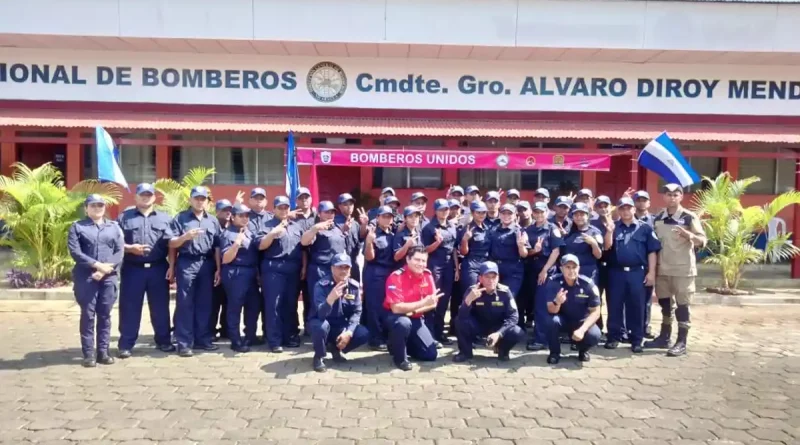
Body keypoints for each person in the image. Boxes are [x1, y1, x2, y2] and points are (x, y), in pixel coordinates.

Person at [646, 184, 706, 357]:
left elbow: (702, 241)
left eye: (675, 194)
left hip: (683, 270)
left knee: (682, 306)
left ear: (681, 197)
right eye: (668, 194)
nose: (672, 197)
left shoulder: (689, 217)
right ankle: (664, 337)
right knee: (665, 305)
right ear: (664, 197)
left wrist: (690, 236)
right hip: (662, 269)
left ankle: (682, 341)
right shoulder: (658, 218)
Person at [116, 184, 175, 359]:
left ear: (154, 198)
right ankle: (126, 344)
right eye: (142, 195)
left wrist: (172, 266)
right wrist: (130, 248)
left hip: (158, 268)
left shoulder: (165, 218)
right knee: (129, 307)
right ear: (136, 197)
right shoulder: (124, 218)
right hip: (133, 269)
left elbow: (171, 245)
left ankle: (164, 341)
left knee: (160, 307)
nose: (146, 197)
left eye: (149, 195)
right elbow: (115, 242)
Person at [67, 194, 124, 367]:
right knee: (88, 315)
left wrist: (106, 270)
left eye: (100, 205)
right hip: (87, 277)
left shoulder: (114, 227)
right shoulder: (77, 227)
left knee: (105, 314)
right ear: (86, 208)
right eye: (93, 206)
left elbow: (119, 251)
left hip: (108, 277)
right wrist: (97, 265)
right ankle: (88, 354)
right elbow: (76, 252)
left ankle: (103, 351)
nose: (97, 208)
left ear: (104, 208)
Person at [168, 186, 222, 357]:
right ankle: (184, 343)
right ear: (190, 200)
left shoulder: (212, 221)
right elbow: (171, 243)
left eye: (203, 199)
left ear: (207, 201)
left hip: (206, 264)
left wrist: (218, 269)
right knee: (185, 303)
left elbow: (217, 247)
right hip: (187, 262)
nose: (200, 201)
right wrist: (184, 237)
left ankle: (203, 339)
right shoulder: (181, 218)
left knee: (205, 303)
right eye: (197, 198)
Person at [605, 197, 661, 353]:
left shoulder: (645, 228)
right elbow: (607, 247)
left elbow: (652, 251)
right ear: (618, 211)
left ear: (634, 209)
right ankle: (613, 337)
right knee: (614, 306)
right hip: (616, 272)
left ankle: (636, 340)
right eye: (622, 208)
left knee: (637, 307)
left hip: (637, 272)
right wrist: (609, 232)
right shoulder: (613, 227)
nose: (625, 211)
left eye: (628, 208)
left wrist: (651, 273)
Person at [307, 253, 370, 372]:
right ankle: (319, 356)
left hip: (340, 326)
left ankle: (335, 349)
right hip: (321, 322)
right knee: (320, 327)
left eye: (346, 267)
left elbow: (357, 312)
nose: (343, 270)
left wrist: (349, 332)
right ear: (332, 268)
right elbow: (320, 314)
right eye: (340, 267)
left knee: (363, 333)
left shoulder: (354, 287)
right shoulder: (321, 286)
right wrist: (330, 299)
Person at [383, 246, 442, 371]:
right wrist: (423, 303)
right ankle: (400, 359)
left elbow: (433, 303)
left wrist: (415, 310)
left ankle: (398, 344)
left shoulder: (427, 275)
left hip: (416, 318)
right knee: (403, 323)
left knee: (430, 355)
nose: (421, 264)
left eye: (423, 261)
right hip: (396, 318)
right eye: (417, 260)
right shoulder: (396, 277)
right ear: (408, 259)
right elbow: (396, 308)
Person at [259, 196, 304, 352]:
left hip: (293, 268)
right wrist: (273, 233)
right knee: (274, 305)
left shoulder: (296, 226)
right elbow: (261, 245)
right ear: (274, 209)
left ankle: (289, 336)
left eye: (286, 207)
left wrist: (303, 267)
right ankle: (275, 340)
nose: (284, 210)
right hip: (273, 268)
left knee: (290, 304)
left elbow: (303, 248)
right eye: (280, 208)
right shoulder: (267, 225)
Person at [453, 261, 524, 362]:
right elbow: (461, 316)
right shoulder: (472, 291)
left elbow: (513, 317)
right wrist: (468, 301)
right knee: (459, 321)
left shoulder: (505, 292)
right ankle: (465, 352)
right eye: (487, 277)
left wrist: (499, 333)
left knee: (517, 332)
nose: (491, 280)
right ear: (480, 278)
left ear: (498, 278)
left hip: (497, 326)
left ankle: (502, 351)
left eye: (493, 277)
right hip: (478, 325)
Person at [544, 254, 602, 364]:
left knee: (595, 335)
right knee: (551, 321)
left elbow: (596, 312)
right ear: (561, 268)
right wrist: (557, 302)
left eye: (574, 267)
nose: (571, 270)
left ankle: (582, 351)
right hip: (563, 320)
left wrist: (582, 329)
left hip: (582, 321)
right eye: (568, 267)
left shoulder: (588, 284)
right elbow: (551, 310)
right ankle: (554, 353)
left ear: (579, 268)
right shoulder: (553, 282)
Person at [218, 203, 260, 353]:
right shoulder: (227, 234)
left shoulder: (249, 231)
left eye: (247, 216)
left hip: (251, 273)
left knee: (253, 306)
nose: (244, 218)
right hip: (235, 272)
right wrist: (236, 243)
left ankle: (250, 336)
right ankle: (235, 339)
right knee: (235, 307)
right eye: (241, 215)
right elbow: (226, 258)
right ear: (233, 217)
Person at [526, 202, 564, 351]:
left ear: (547, 213)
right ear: (533, 213)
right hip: (532, 270)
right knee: (535, 305)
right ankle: (539, 335)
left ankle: (542, 339)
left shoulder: (552, 229)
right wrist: (534, 251)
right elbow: (526, 251)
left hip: (546, 271)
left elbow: (556, 251)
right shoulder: (529, 229)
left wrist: (545, 270)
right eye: (536, 212)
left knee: (542, 305)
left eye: (542, 212)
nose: (539, 215)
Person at [421, 198, 459, 346]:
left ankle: (439, 332)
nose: (445, 212)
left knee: (445, 299)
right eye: (442, 209)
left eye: (447, 209)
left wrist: (456, 267)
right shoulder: (429, 227)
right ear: (435, 211)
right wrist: (437, 242)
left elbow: (454, 248)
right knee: (433, 298)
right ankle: (430, 333)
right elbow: (425, 250)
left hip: (449, 264)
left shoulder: (451, 226)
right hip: (435, 264)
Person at [302, 201, 347, 311]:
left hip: (335, 272)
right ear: (319, 214)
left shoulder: (337, 229)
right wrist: (315, 228)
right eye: (326, 212)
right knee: (317, 303)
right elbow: (304, 242)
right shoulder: (315, 228)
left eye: (332, 212)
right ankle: (315, 327)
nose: (330, 215)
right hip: (319, 271)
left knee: (335, 303)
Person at [363, 206, 396, 351]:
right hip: (375, 273)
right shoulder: (373, 233)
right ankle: (375, 339)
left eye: (389, 216)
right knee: (375, 307)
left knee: (387, 306)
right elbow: (369, 257)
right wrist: (369, 242)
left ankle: (386, 336)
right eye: (384, 216)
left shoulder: (393, 234)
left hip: (390, 273)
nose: (387, 219)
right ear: (377, 218)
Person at [489, 203, 530, 297]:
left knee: (507, 298)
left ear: (515, 215)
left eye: (509, 213)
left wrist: (521, 246)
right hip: (495, 269)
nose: (506, 216)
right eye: (504, 213)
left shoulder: (519, 231)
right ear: (499, 214)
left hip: (512, 270)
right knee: (493, 298)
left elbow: (524, 254)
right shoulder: (493, 230)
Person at [561, 203, 605, 285]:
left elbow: (598, 255)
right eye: (576, 215)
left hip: (587, 272)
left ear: (587, 216)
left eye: (582, 214)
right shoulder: (569, 232)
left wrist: (593, 243)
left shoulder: (595, 232)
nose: (579, 217)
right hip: (570, 272)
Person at [633, 190, 656, 339]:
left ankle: (645, 327)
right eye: (638, 200)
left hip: (648, 265)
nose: (641, 202)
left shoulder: (655, 221)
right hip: (633, 267)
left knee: (646, 300)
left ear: (649, 202)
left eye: (644, 200)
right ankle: (630, 328)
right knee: (630, 300)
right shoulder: (626, 219)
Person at [210, 199, 232, 340]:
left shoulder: (231, 227)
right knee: (213, 302)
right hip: (212, 269)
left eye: (229, 210)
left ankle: (226, 330)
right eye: (224, 210)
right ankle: (210, 330)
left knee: (228, 301)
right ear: (217, 211)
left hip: (228, 270)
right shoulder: (212, 225)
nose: (228, 213)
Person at [457, 201, 491, 291]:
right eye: (478, 212)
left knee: (483, 296)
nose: (481, 215)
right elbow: (463, 252)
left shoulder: (487, 228)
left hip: (485, 266)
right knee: (471, 294)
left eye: (483, 212)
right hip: (471, 266)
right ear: (472, 213)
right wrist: (465, 240)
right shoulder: (468, 229)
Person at [335, 193, 363, 283]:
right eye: (345, 204)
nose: (349, 206)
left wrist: (364, 225)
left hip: (353, 264)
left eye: (351, 204)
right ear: (339, 206)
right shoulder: (335, 223)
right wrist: (344, 230)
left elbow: (361, 240)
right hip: (341, 265)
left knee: (354, 291)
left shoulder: (355, 224)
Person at [393, 206, 423, 270]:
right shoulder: (400, 235)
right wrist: (406, 245)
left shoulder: (419, 233)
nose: (414, 219)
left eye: (416, 216)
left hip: (417, 270)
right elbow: (396, 257)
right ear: (405, 219)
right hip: (403, 270)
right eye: (410, 216)